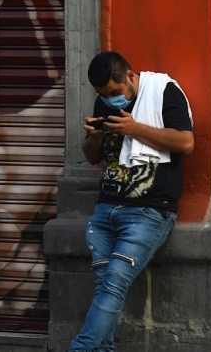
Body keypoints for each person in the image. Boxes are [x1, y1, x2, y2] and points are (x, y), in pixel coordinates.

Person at [70, 51, 194, 351]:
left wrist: (135, 128)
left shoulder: (164, 91)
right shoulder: (105, 100)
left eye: (115, 92)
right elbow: (91, 156)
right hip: (104, 212)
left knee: (113, 285)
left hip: (148, 212)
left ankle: (81, 348)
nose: (111, 100)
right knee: (105, 290)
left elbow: (186, 142)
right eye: (103, 95)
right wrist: (95, 138)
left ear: (130, 76)